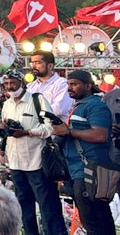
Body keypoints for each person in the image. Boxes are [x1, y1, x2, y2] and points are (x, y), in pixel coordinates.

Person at [0, 70, 65, 235]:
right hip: (15, 163)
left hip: (37, 163)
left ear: (22, 82)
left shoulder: (37, 99)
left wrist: (28, 132)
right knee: (24, 207)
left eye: (12, 82)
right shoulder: (6, 104)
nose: (9, 86)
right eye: (6, 84)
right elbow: (6, 130)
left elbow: (50, 127)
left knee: (47, 206)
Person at [51, 70, 114, 235]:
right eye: (68, 84)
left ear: (88, 86)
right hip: (79, 169)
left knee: (94, 222)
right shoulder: (80, 105)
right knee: (96, 221)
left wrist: (68, 132)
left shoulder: (95, 105)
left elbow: (100, 134)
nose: (70, 88)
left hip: (90, 170)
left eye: (74, 84)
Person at [26, 51, 73, 118]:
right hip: (33, 126)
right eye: (32, 63)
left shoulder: (62, 84)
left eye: (38, 63)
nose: (34, 66)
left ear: (50, 66)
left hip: (55, 127)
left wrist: (32, 113)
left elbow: (58, 109)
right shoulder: (31, 86)